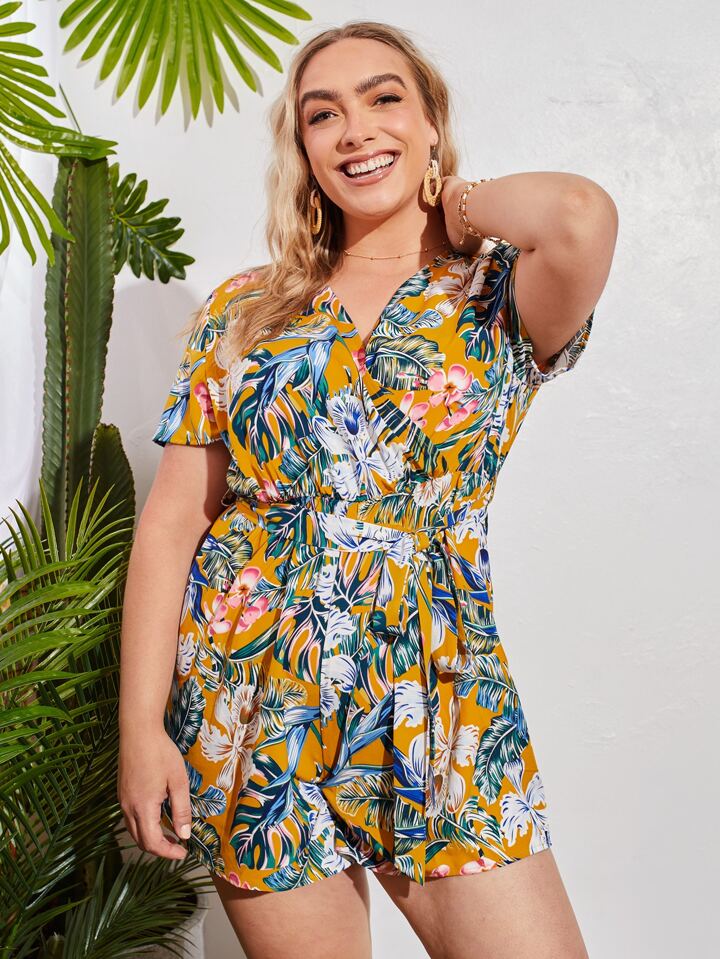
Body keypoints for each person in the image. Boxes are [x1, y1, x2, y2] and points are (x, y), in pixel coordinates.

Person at [117, 18, 617, 959]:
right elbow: (176, 518)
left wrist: (453, 204)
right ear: (303, 149)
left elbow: (580, 213)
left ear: (431, 122)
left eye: (384, 99)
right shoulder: (247, 306)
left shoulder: (498, 292)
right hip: (250, 693)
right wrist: (141, 728)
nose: (354, 131)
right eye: (323, 115)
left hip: (438, 696)